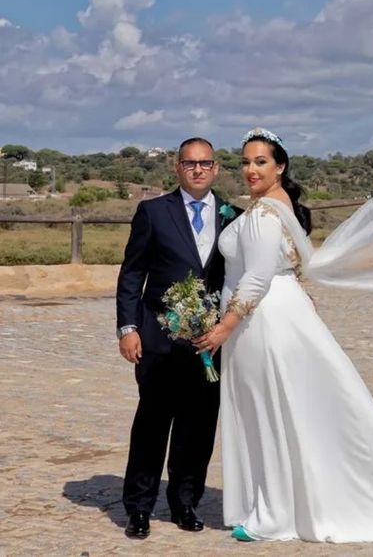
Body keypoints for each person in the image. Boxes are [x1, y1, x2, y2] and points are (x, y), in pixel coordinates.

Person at [194, 128, 373, 543]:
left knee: (270, 409)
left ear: (279, 166)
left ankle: (275, 512)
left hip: (261, 321)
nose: (250, 169)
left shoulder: (265, 213)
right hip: (274, 314)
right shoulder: (275, 206)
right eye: (246, 162)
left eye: (260, 162)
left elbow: (258, 277)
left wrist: (223, 329)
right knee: (281, 407)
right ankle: (273, 501)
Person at [116, 137, 240, 539]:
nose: (198, 170)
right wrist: (127, 327)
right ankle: (138, 508)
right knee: (152, 424)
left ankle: (185, 503)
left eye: (205, 163)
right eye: (190, 163)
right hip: (158, 338)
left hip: (210, 342)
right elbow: (132, 273)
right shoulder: (153, 212)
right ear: (177, 167)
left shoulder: (234, 216)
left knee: (198, 426)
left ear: (217, 168)